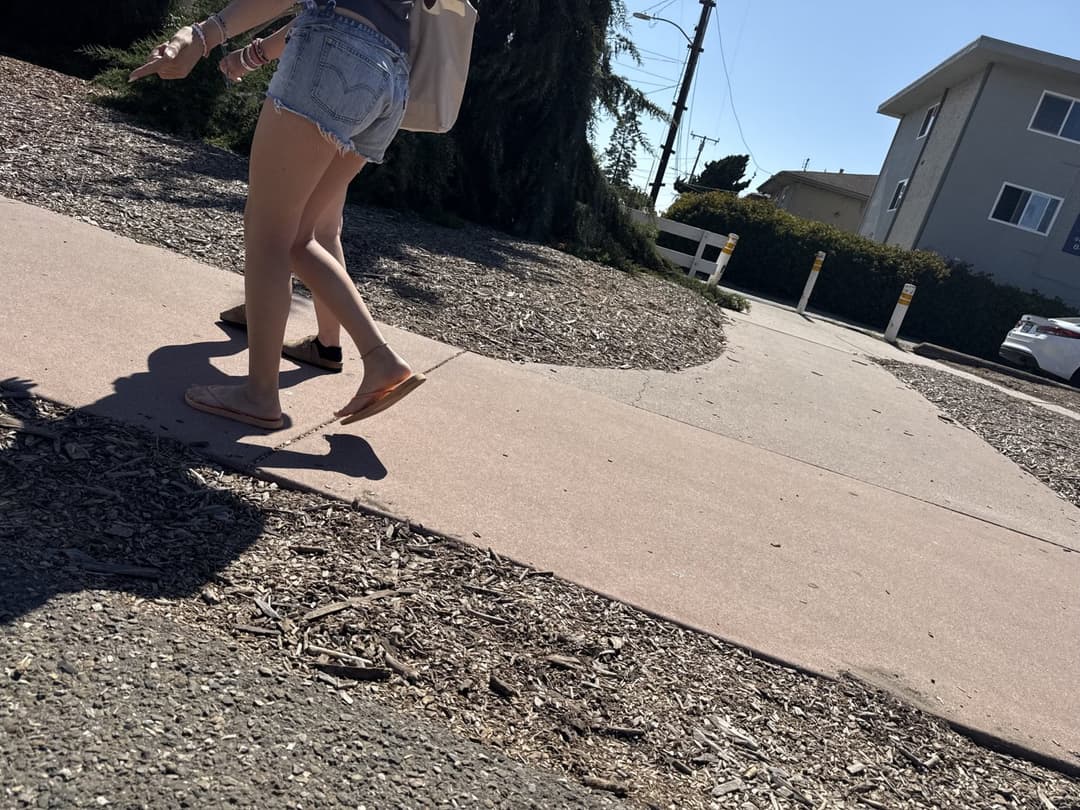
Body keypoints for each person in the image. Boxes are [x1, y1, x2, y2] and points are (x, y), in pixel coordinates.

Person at [131, 0, 424, 430]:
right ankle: (381, 361)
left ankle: (260, 395)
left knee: (269, 235)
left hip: (334, 55)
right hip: (391, 79)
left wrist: (204, 34)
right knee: (299, 238)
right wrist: (252, 53)